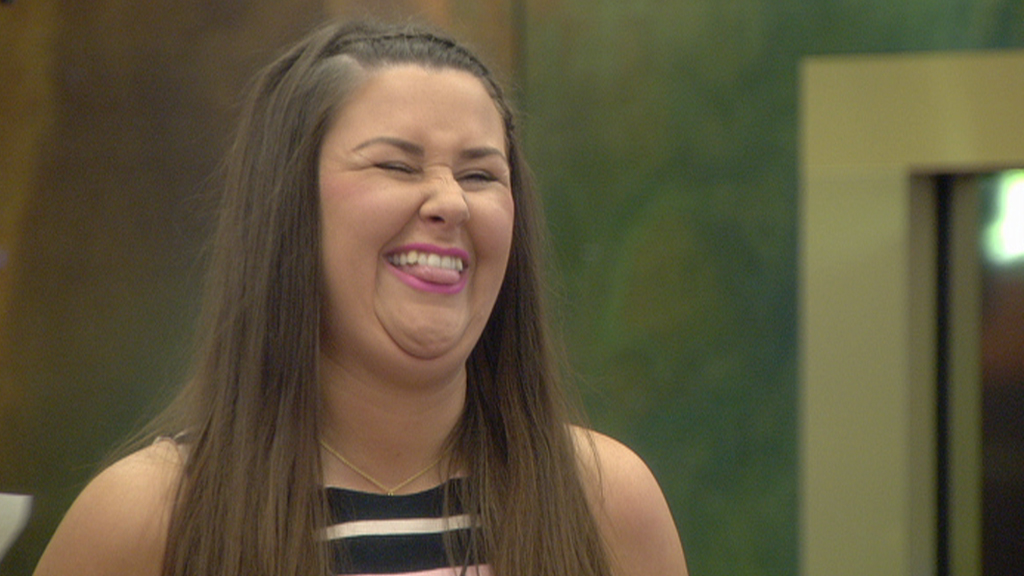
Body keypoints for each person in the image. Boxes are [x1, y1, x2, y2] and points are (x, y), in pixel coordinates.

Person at [32, 20, 688, 576]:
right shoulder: (150, 518)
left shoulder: (605, 501)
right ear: (289, 207)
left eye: (480, 174)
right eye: (396, 166)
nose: (451, 201)